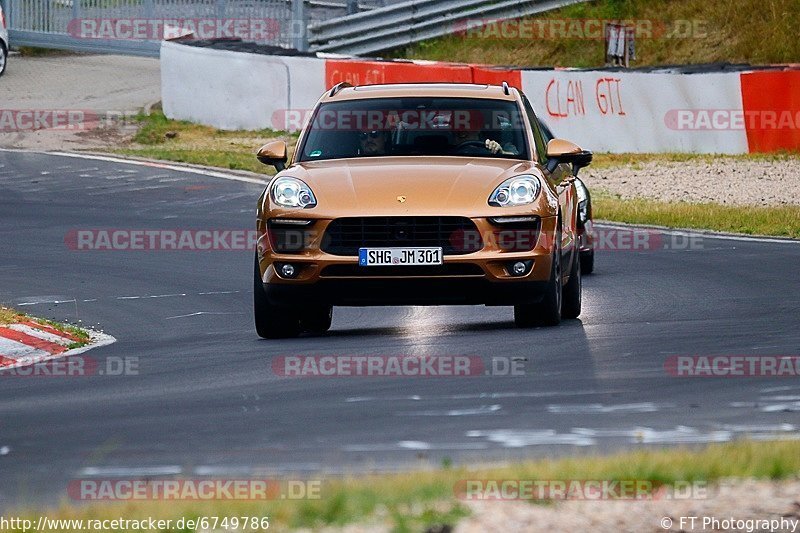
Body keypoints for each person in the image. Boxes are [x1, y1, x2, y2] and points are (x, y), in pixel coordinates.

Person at [451, 128, 518, 156]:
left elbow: (518, 161)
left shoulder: (505, 146)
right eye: (456, 129)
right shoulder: (443, 150)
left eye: (468, 128)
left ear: (478, 129)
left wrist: (501, 152)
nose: (461, 132)